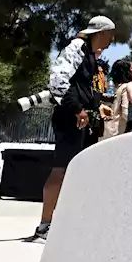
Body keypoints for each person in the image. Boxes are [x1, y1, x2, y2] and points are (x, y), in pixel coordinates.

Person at [28, 16, 116, 243]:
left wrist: (98, 105)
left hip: (83, 119)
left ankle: (67, 222)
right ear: (99, 32)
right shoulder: (76, 47)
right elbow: (58, 81)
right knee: (61, 170)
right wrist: (77, 110)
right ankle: (44, 227)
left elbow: (82, 87)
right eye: (109, 34)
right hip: (70, 119)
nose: (112, 40)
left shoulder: (91, 56)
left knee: (77, 171)